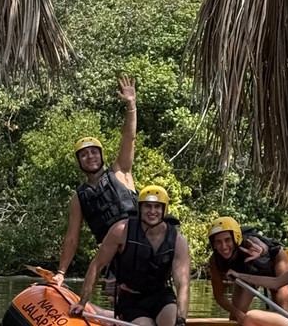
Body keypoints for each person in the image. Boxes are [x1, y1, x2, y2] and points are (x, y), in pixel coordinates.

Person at [53, 76, 139, 284]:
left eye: (94, 152)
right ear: (79, 161)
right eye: (84, 154)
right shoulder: (79, 198)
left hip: (140, 244)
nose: (90, 156)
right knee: (112, 293)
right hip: (113, 253)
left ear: (101, 155)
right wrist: (61, 273)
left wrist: (131, 106)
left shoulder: (120, 171)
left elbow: (129, 137)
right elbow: (72, 238)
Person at [69, 185, 191, 326]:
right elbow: (97, 265)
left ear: (164, 209)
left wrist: (181, 319)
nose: (152, 211)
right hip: (132, 299)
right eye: (147, 206)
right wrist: (82, 302)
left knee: (171, 321)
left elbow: (183, 284)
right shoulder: (121, 231)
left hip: (161, 296)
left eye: (157, 206)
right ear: (139, 208)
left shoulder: (178, 241)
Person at [208, 215, 288, 320]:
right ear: (214, 244)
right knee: (235, 318)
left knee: (284, 312)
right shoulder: (214, 261)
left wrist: (262, 251)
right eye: (218, 242)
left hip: (274, 264)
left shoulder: (250, 241)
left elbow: (262, 246)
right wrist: (240, 316)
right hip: (248, 274)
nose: (224, 246)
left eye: (227, 240)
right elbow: (219, 297)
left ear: (236, 238)